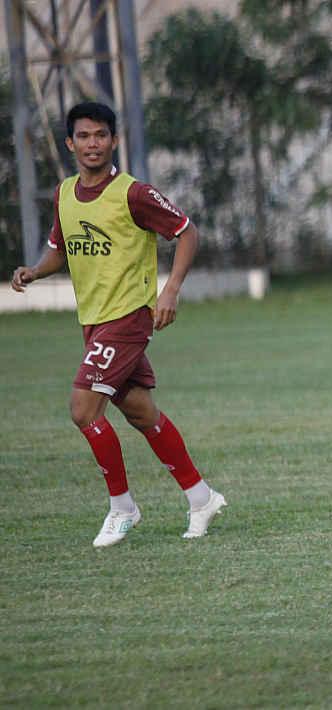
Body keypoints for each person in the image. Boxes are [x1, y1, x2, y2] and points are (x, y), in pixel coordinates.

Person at [10, 101, 226, 547]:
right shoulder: (64, 193)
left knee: (83, 408)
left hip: (128, 318)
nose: (94, 143)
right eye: (85, 136)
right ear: (70, 143)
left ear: (114, 140)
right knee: (140, 411)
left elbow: (187, 232)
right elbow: (61, 247)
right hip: (93, 320)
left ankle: (122, 507)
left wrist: (170, 289)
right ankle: (201, 497)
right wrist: (34, 270)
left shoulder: (133, 193)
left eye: (102, 135)